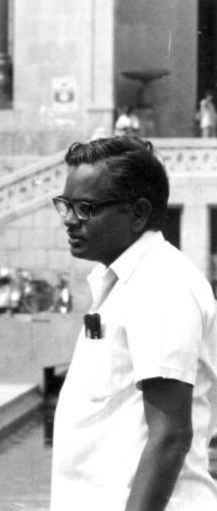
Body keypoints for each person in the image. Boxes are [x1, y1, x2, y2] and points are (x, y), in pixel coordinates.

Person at [50, 136, 217, 510]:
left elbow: (171, 436)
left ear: (138, 212)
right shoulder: (123, 283)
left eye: (86, 208)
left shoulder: (161, 284)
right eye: (65, 205)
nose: (70, 220)